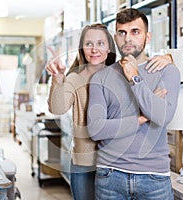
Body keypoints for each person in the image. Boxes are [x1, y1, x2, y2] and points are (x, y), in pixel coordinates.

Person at [46, 23, 173, 200]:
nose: (94, 49)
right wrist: (58, 78)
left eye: (100, 43)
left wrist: (169, 57)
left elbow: (147, 67)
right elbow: (57, 108)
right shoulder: (75, 78)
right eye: (88, 43)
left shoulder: (124, 72)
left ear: (109, 48)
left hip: (117, 163)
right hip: (86, 163)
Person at [87, 8, 180, 200]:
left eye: (135, 32)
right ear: (116, 37)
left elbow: (163, 117)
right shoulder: (100, 78)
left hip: (154, 177)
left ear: (147, 36)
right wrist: (141, 118)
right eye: (122, 33)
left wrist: (134, 78)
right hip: (109, 175)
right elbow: (96, 129)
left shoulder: (167, 72)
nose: (128, 38)